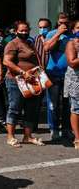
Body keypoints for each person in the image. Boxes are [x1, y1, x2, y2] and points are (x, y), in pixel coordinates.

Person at [3, 21, 45, 148]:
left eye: (26, 30)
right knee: (14, 108)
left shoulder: (30, 43)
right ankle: (10, 137)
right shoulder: (12, 44)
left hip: (32, 81)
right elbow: (6, 61)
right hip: (16, 81)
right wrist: (22, 72)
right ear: (15, 31)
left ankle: (28, 136)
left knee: (31, 109)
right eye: (21, 30)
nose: (24, 32)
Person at [44, 12, 74, 140]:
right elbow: (46, 48)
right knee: (53, 104)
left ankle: (66, 128)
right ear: (57, 23)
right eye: (61, 23)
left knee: (68, 104)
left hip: (69, 75)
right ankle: (54, 129)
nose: (63, 25)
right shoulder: (52, 34)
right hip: (53, 74)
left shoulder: (72, 36)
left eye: (66, 23)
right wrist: (58, 34)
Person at [64, 20, 79, 149]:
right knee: (76, 109)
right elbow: (72, 62)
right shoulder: (71, 43)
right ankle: (77, 138)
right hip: (76, 81)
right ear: (73, 30)